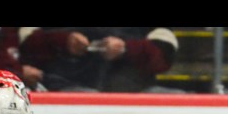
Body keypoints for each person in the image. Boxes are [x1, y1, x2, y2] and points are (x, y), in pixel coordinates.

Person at [19, 27, 178, 93]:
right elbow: (24, 47)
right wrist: (62, 41)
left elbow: (163, 56)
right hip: (63, 90)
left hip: (132, 91)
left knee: (177, 99)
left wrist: (126, 49)